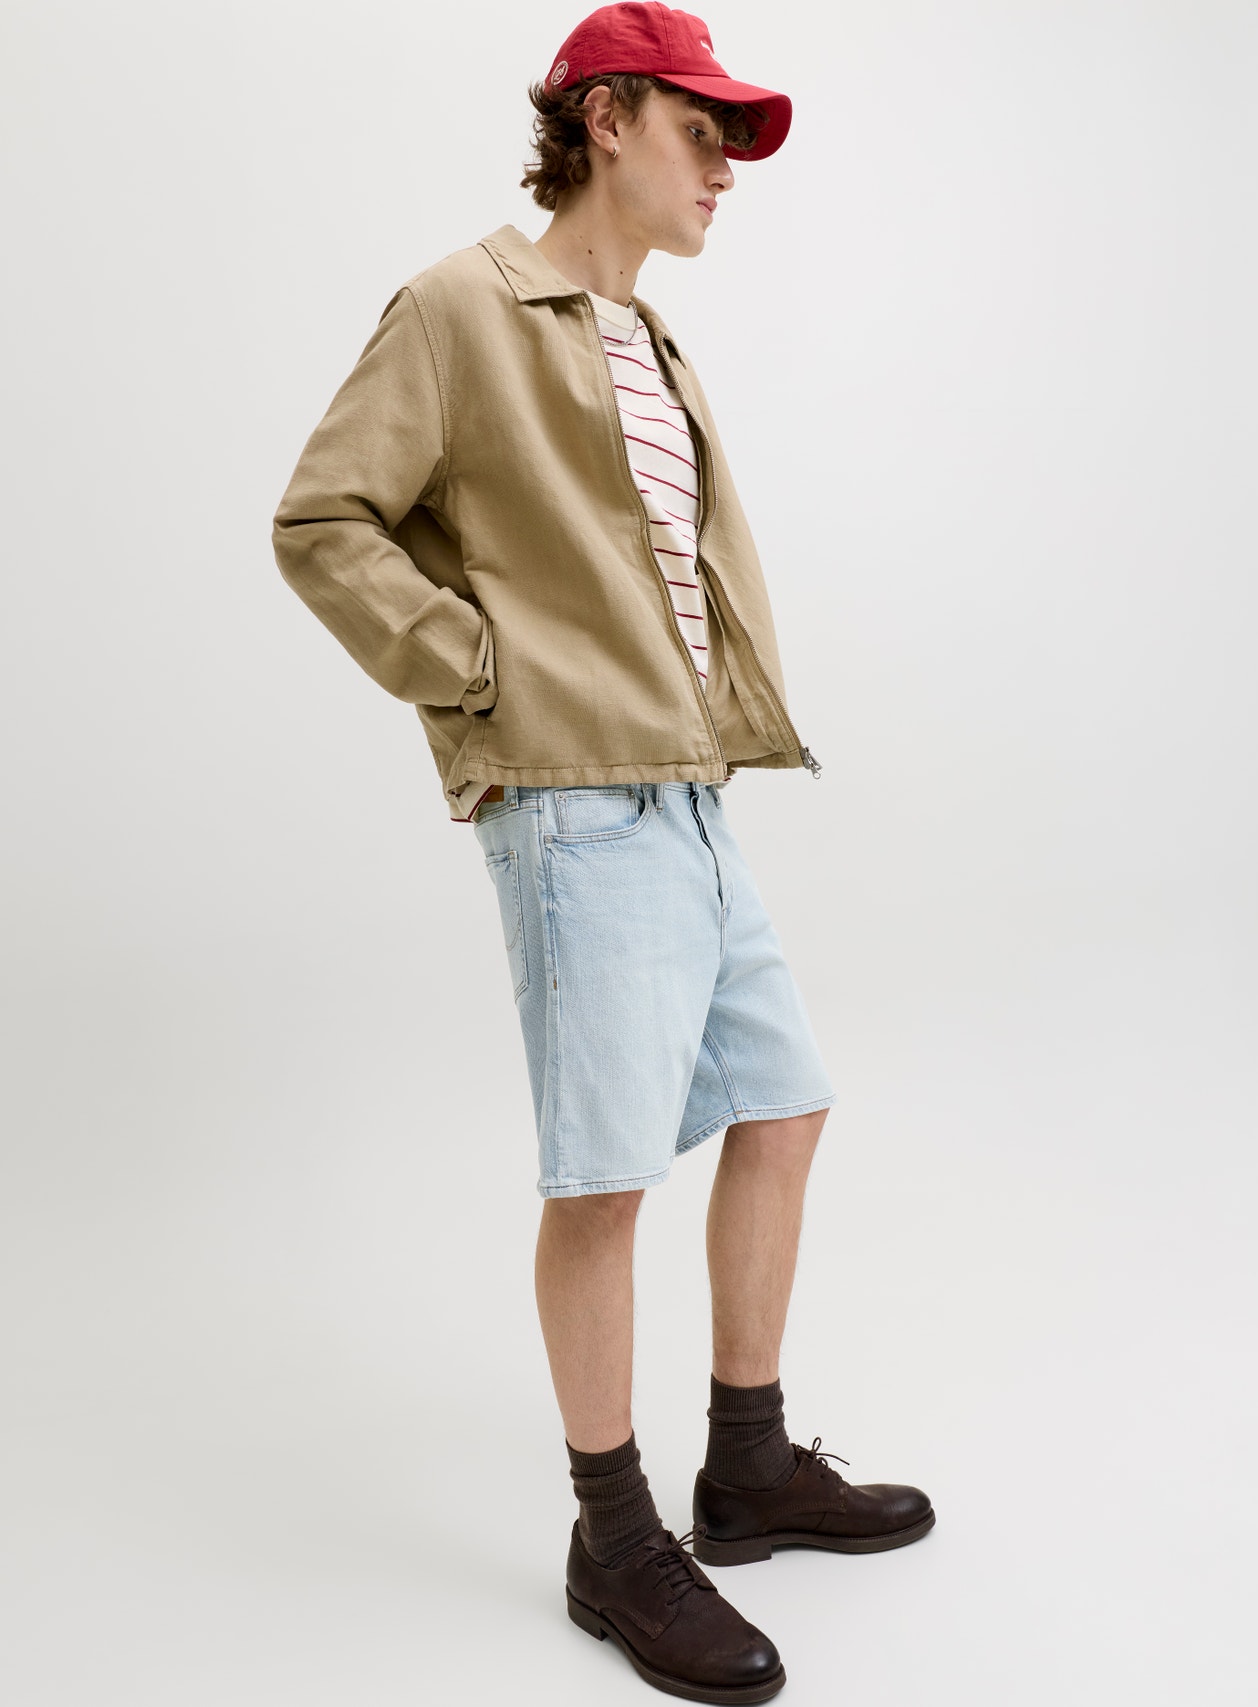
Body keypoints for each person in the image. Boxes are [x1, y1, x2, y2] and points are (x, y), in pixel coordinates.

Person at [272, 5, 935, 1699]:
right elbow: (324, 519)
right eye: (705, 132)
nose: (727, 171)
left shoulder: (644, 337)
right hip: (575, 803)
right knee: (605, 1173)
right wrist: (479, 673)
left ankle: (747, 1467)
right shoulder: (461, 307)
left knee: (782, 1108)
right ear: (609, 117)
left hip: (687, 796)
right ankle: (613, 1538)